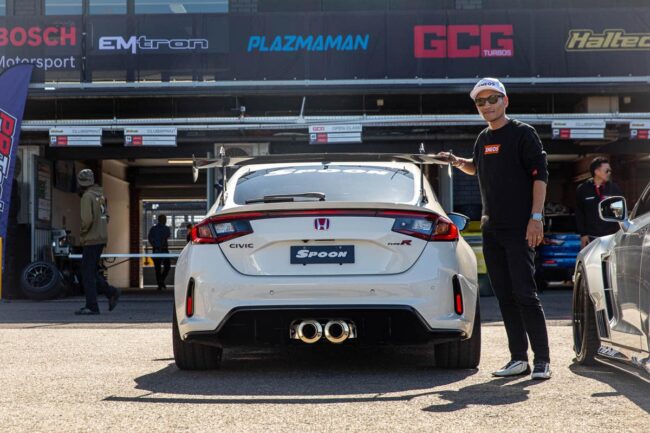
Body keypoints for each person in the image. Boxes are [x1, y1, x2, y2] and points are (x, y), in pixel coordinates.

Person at [437, 77, 552, 380]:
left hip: (520, 227)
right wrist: (454, 161)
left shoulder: (523, 134)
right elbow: (476, 165)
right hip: (492, 229)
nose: (486, 106)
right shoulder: (483, 138)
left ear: (505, 101)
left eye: (492, 99)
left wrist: (536, 218)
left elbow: (541, 176)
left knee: (525, 293)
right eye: (480, 102)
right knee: (504, 295)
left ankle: (542, 360)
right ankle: (519, 359)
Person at [75, 169, 120, 315]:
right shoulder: (100, 196)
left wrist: (83, 232)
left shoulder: (87, 197)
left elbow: (86, 220)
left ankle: (92, 306)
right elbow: (106, 217)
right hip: (101, 238)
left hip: (91, 239)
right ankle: (110, 292)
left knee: (87, 273)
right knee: (92, 271)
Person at [576, 157, 623, 248]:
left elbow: (620, 213)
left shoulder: (614, 188)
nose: (609, 173)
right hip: (591, 237)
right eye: (607, 171)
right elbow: (579, 213)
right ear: (597, 172)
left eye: (610, 171)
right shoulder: (583, 189)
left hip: (611, 237)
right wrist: (583, 234)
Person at [148, 214, 171, 290]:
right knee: (167, 266)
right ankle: (161, 281)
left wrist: (154, 245)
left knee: (157, 268)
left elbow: (150, 239)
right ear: (163, 220)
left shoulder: (153, 229)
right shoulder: (166, 229)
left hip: (156, 250)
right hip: (164, 250)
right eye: (165, 219)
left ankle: (160, 283)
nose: (166, 220)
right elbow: (166, 237)